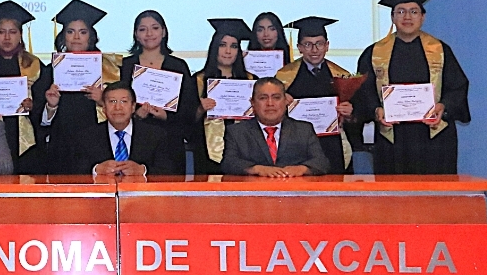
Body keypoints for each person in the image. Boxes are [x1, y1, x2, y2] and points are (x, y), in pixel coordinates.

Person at [353, 0, 470, 174]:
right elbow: (363, 92)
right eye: (400, 12)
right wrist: (376, 111)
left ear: (423, 17)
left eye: (414, 11)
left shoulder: (440, 50)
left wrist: (443, 107)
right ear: (392, 17)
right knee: (395, 198)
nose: (407, 17)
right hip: (392, 139)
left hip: (434, 139)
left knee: (434, 198)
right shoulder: (373, 53)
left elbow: (457, 87)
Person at [31, 0, 121, 174]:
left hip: (99, 143)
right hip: (61, 145)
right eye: (71, 31)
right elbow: (39, 119)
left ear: (91, 36)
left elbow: (125, 108)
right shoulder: (51, 71)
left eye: (83, 32)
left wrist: (103, 100)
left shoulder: (108, 69)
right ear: (64, 36)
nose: (77, 37)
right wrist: (51, 105)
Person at [119, 10, 199, 174]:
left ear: (163, 31)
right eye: (142, 29)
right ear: (136, 34)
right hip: (134, 140)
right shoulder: (125, 65)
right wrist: (134, 113)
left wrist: (166, 116)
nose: (149, 34)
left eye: (154, 28)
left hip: (170, 140)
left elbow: (189, 107)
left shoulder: (178, 66)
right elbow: (117, 99)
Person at [275, 16, 356, 174]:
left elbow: (356, 116)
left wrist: (350, 113)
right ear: (299, 47)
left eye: (319, 44)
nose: (314, 49)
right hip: (296, 146)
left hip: (331, 144)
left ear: (327, 46)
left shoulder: (341, 76)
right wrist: (281, 104)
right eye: (308, 44)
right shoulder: (284, 77)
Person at [0, 0, 43, 173]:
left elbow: (45, 103)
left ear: (20, 34)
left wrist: (33, 106)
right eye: (1, 32)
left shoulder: (34, 65)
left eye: (12, 32)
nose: (7, 38)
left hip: (25, 138)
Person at [221, 77, 330, 176]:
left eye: (276, 97)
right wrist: (257, 169)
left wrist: (302, 169)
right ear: (252, 102)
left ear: (286, 101)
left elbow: (321, 162)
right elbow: (229, 163)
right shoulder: (237, 131)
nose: (270, 103)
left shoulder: (303, 130)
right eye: (263, 98)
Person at [192, 18, 257, 175]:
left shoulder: (251, 81)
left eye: (233, 46)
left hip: (245, 151)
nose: (228, 51)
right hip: (206, 151)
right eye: (223, 45)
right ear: (214, 48)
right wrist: (200, 109)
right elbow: (186, 121)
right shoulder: (198, 80)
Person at [73, 82, 172, 177]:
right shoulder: (86, 136)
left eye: (124, 101)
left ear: (133, 107)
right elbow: (73, 171)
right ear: (104, 108)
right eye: (112, 101)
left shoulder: (155, 135)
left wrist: (143, 170)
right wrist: (96, 169)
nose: (118, 107)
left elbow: (169, 172)